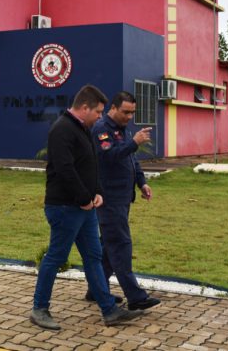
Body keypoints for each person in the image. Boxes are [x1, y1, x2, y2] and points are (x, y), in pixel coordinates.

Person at [31, 85, 145, 330]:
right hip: (64, 207)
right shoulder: (62, 129)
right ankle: (39, 309)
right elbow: (65, 170)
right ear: (84, 108)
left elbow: (91, 166)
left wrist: (98, 192)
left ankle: (109, 310)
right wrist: (84, 198)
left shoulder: (84, 129)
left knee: (94, 258)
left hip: (84, 207)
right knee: (56, 257)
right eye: (98, 112)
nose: (101, 116)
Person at [87, 91, 161, 311]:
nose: (129, 116)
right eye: (125, 112)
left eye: (132, 112)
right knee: (120, 245)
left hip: (122, 197)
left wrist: (142, 182)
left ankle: (95, 289)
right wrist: (134, 143)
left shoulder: (120, 129)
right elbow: (107, 157)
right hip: (109, 198)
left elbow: (130, 159)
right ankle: (136, 297)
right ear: (113, 108)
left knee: (109, 247)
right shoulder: (102, 129)